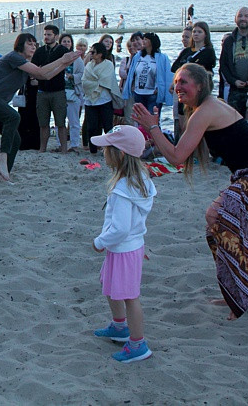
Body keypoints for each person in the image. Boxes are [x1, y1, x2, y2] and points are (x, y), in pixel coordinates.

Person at [133, 63, 248, 320]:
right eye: (176, 82)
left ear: (200, 85)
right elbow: (181, 151)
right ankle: (235, 293)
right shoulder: (205, 109)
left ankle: (239, 295)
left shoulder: (206, 111)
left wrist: (152, 127)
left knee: (217, 217)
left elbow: (177, 156)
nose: (177, 87)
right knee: (217, 225)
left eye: (184, 82)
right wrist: (153, 135)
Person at [90, 125, 156, 363]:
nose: (104, 152)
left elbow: (121, 227)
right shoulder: (142, 182)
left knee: (129, 296)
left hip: (123, 247)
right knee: (110, 285)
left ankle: (138, 344)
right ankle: (119, 327)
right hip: (130, 247)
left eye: (107, 148)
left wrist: (100, 242)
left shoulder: (122, 189)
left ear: (118, 154)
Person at [0, 33, 79, 181]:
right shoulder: (14, 57)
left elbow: (45, 76)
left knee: (16, 140)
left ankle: (2, 176)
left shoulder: (24, 63)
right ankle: (2, 158)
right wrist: (62, 59)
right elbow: (41, 71)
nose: (34, 46)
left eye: (35, 44)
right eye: (30, 43)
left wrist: (65, 64)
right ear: (20, 45)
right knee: (14, 117)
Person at [32, 25, 73, 153]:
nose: (46, 37)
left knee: (60, 122)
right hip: (42, 91)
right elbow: (34, 69)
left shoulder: (62, 50)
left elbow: (67, 65)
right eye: (45, 34)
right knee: (43, 123)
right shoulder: (39, 51)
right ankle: (42, 148)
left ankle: (64, 149)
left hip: (58, 91)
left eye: (49, 35)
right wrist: (38, 77)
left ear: (55, 36)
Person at [121, 32, 172, 120]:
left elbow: (167, 75)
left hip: (153, 94)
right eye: (143, 39)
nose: (143, 41)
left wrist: (161, 89)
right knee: (140, 119)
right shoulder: (138, 56)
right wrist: (130, 87)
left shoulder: (161, 57)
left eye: (146, 39)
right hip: (138, 93)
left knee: (152, 120)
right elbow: (132, 73)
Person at [83, 43, 121, 154]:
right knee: (91, 127)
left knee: (107, 126)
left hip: (104, 100)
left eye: (93, 52)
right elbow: (84, 82)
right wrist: (95, 83)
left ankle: (111, 150)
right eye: (90, 52)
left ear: (100, 54)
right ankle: (93, 149)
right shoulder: (89, 65)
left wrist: (93, 82)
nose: (91, 54)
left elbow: (105, 80)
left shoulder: (108, 64)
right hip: (90, 100)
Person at [61, 34, 84, 153]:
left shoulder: (77, 59)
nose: (66, 43)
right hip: (59, 93)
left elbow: (82, 75)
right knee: (60, 121)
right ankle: (61, 144)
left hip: (73, 92)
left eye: (68, 41)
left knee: (74, 120)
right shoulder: (57, 57)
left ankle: (74, 144)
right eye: (64, 41)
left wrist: (71, 77)